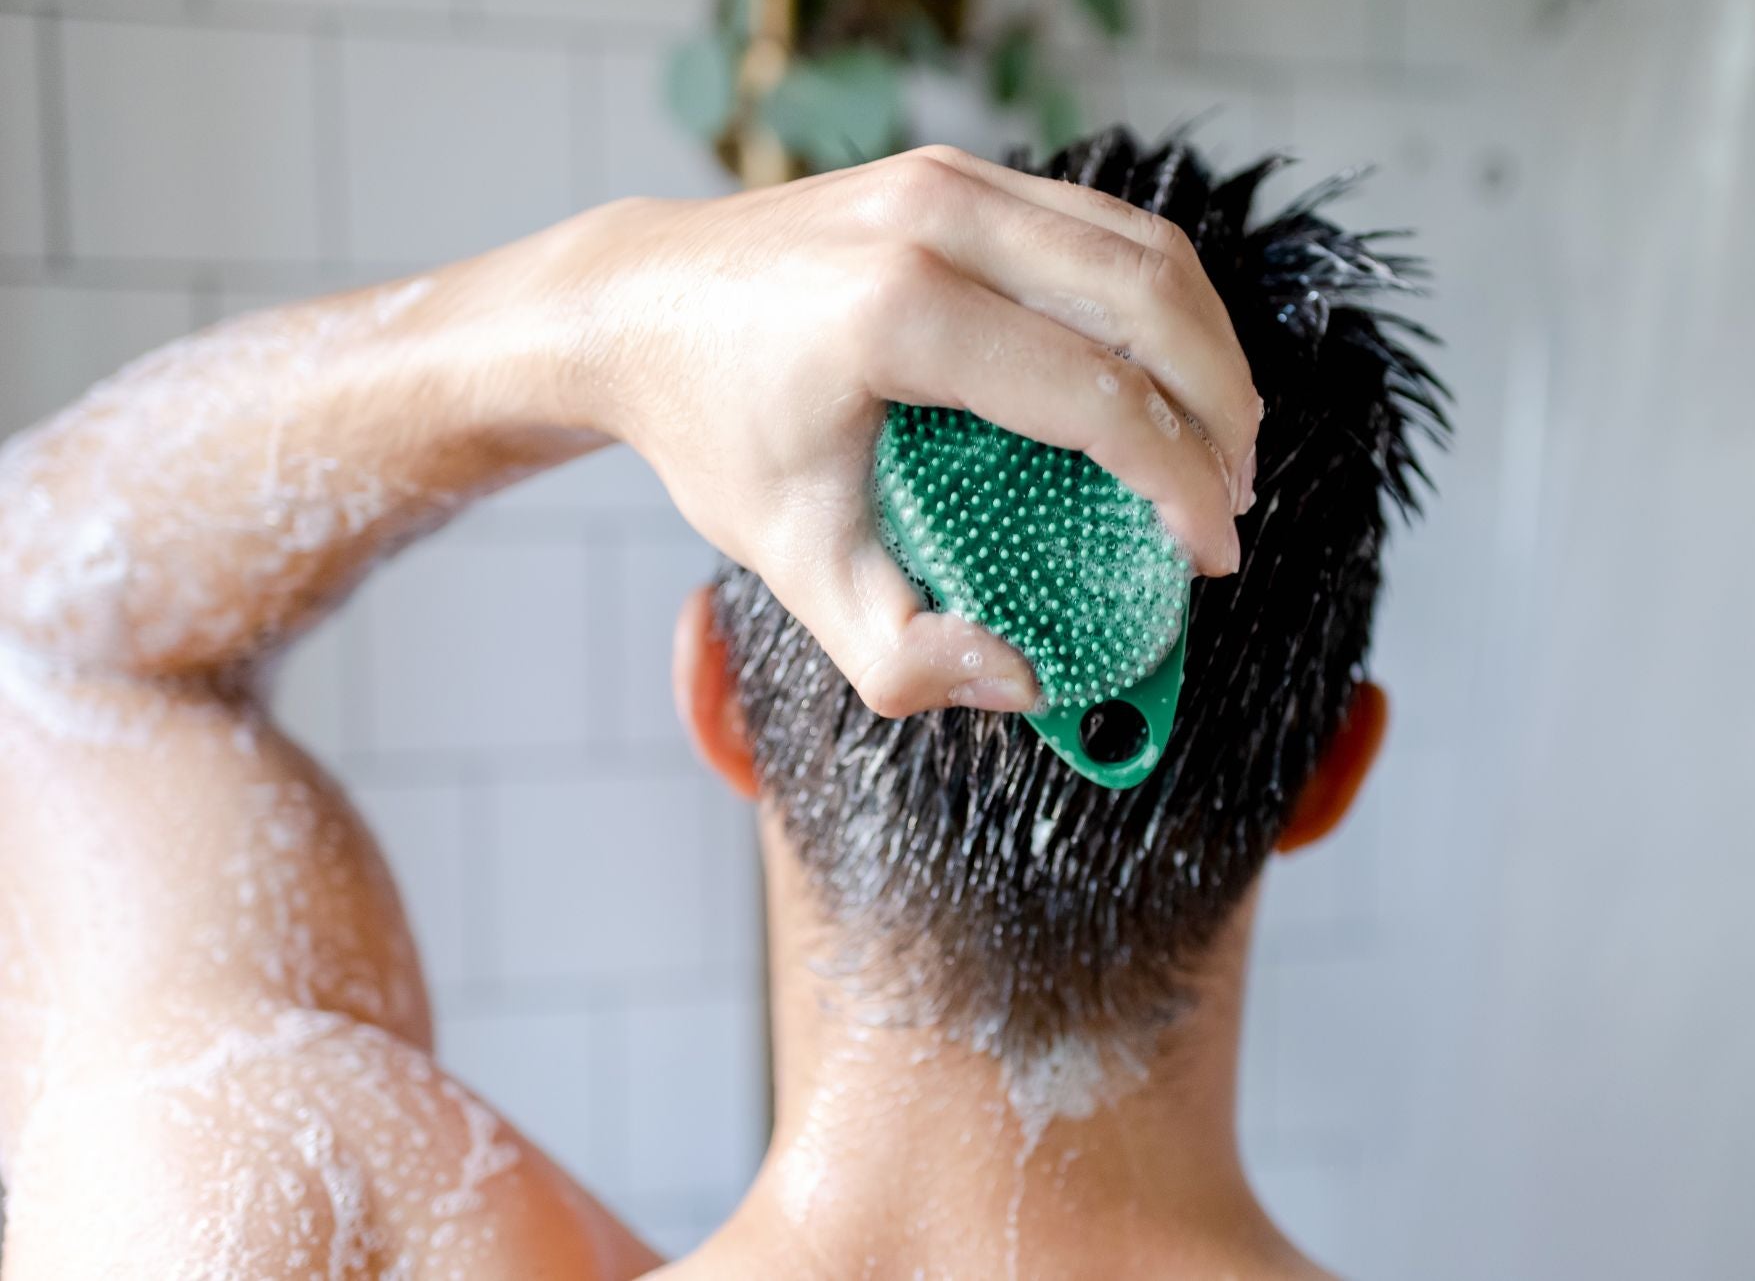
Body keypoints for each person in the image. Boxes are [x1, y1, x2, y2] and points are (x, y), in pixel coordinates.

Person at [0, 128, 1443, 1279]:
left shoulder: (320, 1223)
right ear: (1329, 770)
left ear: (717, 695)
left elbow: (48, 619)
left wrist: (610, 298)